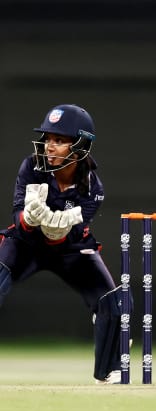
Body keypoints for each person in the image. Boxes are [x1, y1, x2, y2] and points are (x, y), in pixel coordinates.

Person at [0, 104, 125, 384]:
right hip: (26, 245)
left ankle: (109, 370)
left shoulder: (93, 188)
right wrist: (29, 219)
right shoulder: (30, 166)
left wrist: (57, 231)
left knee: (114, 304)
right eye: (48, 139)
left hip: (70, 250)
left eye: (59, 140)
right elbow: (18, 213)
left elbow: (74, 231)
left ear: (80, 147)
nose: (49, 146)